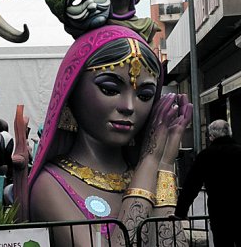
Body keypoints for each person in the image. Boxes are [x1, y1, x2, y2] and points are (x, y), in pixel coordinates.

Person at [27, 25, 192, 246]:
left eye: (144, 95)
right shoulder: (50, 185)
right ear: (72, 93)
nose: (129, 106)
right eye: (110, 89)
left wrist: (164, 164)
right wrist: (151, 160)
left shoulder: (147, 174)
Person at [175, 119, 241, 246]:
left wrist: (180, 212)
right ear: (229, 133)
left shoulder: (205, 156)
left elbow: (191, 186)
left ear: (211, 137)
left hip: (219, 213)